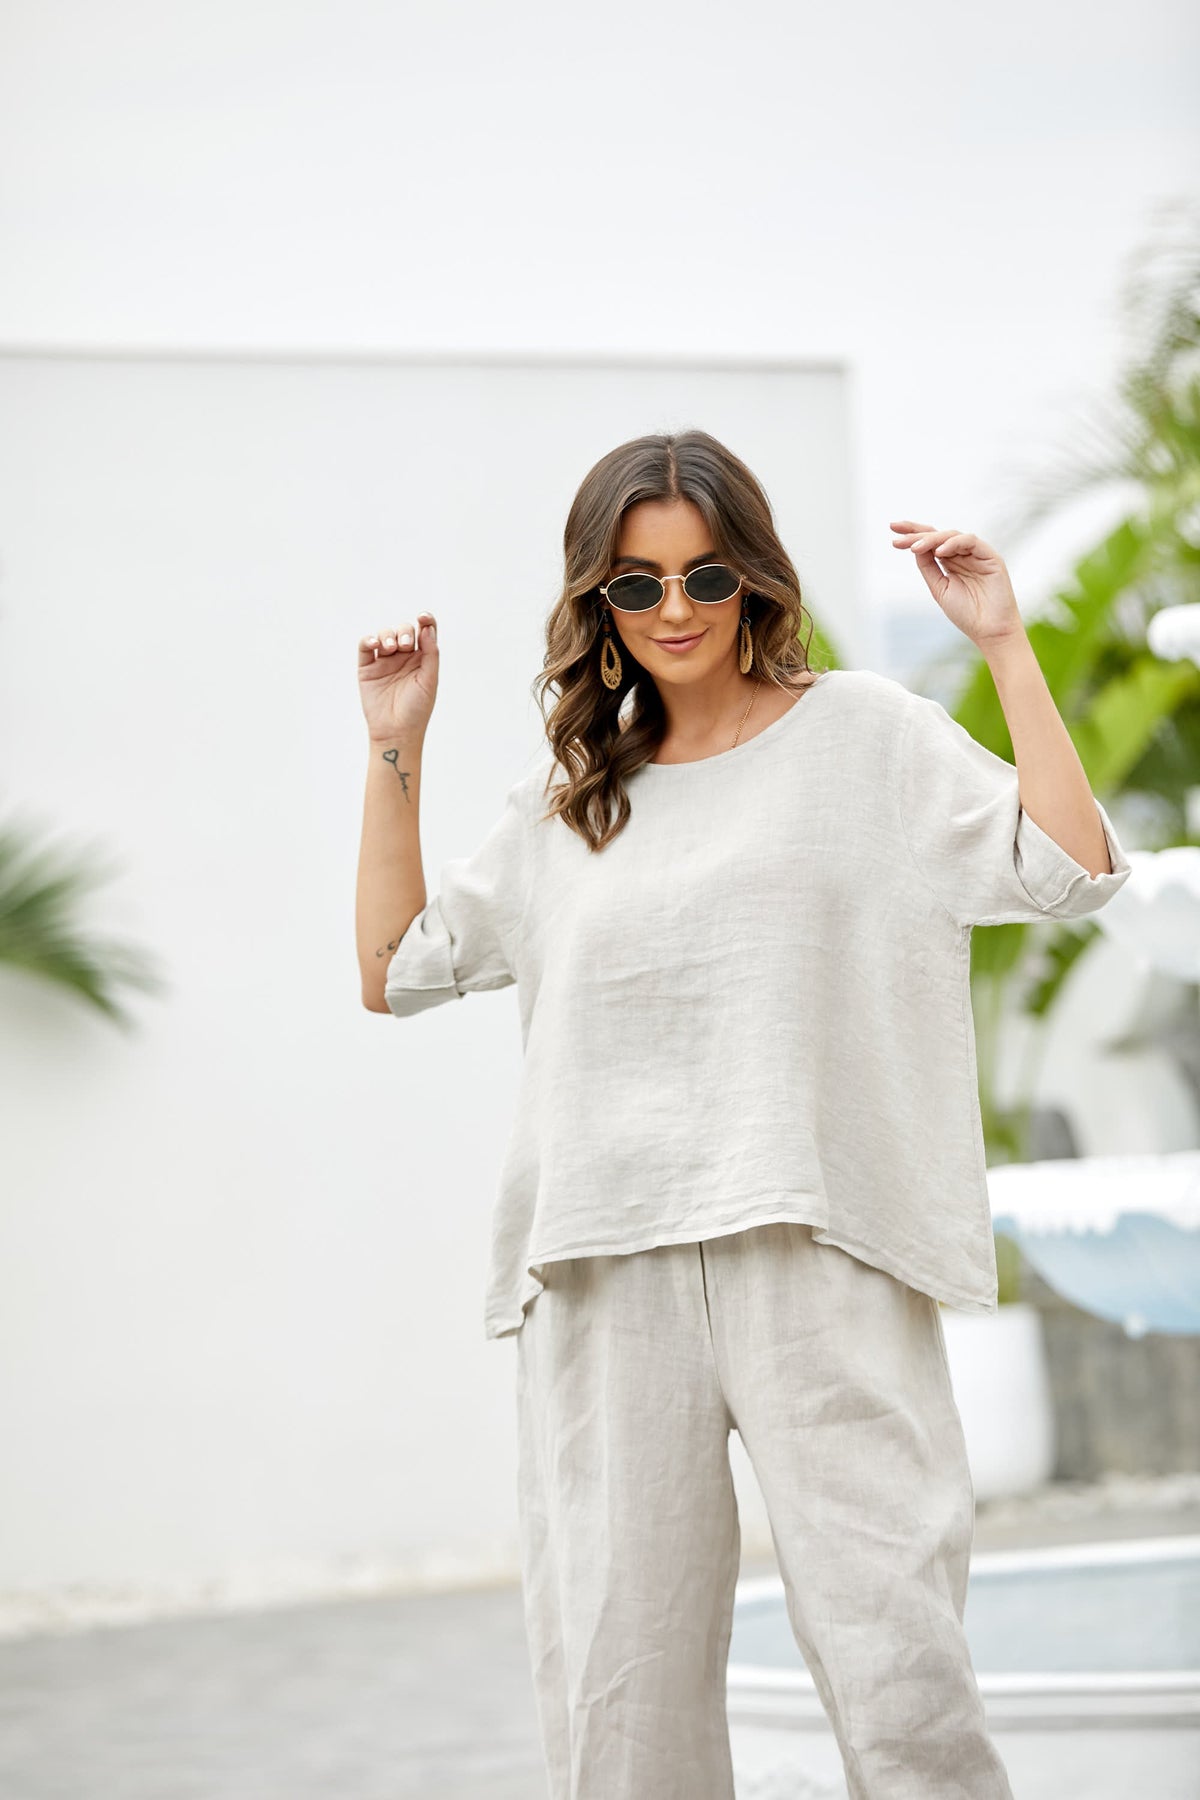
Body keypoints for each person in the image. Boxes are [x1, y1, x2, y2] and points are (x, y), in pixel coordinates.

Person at [354, 430, 1132, 1800]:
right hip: (605, 1264)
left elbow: (1068, 868)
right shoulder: (573, 801)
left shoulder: (866, 736)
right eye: (636, 584)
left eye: (704, 577)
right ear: (597, 600)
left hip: (817, 1244)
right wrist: (394, 745)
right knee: (623, 1706)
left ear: (753, 579)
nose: (674, 611)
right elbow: (394, 966)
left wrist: (1005, 644)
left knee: (903, 1677)